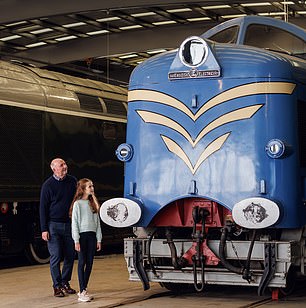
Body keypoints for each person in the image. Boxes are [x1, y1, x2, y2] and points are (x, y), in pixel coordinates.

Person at [40, 158, 77, 297]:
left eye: (65, 164)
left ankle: (65, 283)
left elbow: (78, 201)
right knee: (55, 256)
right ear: (54, 169)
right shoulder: (48, 185)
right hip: (53, 226)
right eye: (61, 165)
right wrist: (44, 229)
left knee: (70, 255)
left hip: (69, 225)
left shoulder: (73, 181)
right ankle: (56, 286)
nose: (65, 166)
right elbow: (42, 208)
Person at [70, 178, 102, 302]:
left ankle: (84, 289)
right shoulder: (78, 204)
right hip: (82, 237)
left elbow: (97, 223)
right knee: (82, 262)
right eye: (89, 186)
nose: (92, 188)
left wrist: (99, 239)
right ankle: (82, 291)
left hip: (92, 237)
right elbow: (75, 223)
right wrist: (76, 240)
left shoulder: (93, 203)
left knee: (89, 263)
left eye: (92, 186)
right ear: (83, 189)